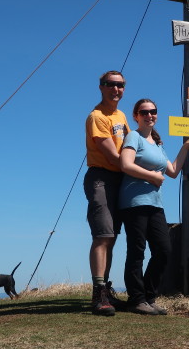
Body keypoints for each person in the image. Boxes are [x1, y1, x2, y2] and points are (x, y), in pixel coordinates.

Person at [119, 99, 189, 315]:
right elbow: (125, 164)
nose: (149, 115)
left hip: (155, 204)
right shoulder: (133, 136)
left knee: (163, 250)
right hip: (134, 202)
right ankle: (137, 299)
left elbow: (172, 171)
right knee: (137, 251)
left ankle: (148, 297)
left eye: (153, 111)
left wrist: (186, 146)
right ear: (136, 116)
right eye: (144, 112)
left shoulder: (157, 142)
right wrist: (152, 176)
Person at [83, 70, 130, 316]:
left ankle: (106, 290)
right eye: (110, 84)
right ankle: (98, 293)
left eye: (120, 85)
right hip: (101, 177)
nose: (116, 89)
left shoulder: (121, 115)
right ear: (101, 87)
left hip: (119, 178)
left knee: (111, 237)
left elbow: (129, 143)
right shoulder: (97, 117)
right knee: (102, 235)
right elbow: (113, 155)